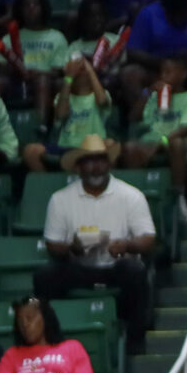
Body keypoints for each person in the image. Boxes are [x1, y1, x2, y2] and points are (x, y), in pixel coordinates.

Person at [35, 139, 156, 355]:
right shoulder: (60, 199)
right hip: (80, 267)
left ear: (109, 163)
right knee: (45, 274)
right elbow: (53, 244)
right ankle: (52, 340)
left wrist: (128, 244)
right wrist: (71, 248)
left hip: (116, 267)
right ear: (79, 167)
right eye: (89, 162)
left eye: (100, 160)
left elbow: (148, 239)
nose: (96, 167)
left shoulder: (131, 196)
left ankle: (135, 341)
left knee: (135, 271)